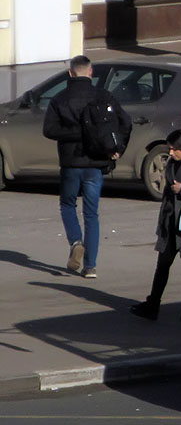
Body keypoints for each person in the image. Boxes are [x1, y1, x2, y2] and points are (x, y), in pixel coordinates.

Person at [42, 55, 131, 279]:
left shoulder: (60, 98)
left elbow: (49, 130)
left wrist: (76, 134)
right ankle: (90, 267)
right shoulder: (103, 95)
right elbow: (125, 122)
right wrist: (118, 148)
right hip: (96, 161)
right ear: (90, 73)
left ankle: (76, 241)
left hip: (71, 162)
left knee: (68, 204)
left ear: (70, 73)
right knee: (92, 214)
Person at [130, 129, 181, 321]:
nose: (172, 153)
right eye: (170, 149)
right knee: (163, 264)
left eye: (175, 149)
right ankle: (153, 304)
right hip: (171, 222)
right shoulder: (173, 164)